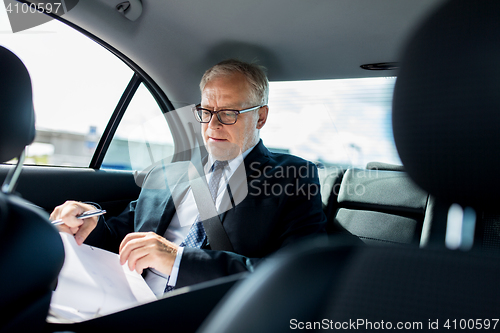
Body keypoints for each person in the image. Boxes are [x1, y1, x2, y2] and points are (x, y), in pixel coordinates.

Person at [51, 59, 327, 294]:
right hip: (123, 298)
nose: (213, 125)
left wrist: (179, 261)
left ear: (261, 117)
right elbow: (119, 239)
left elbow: (298, 273)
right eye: (206, 112)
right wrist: (89, 222)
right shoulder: (166, 171)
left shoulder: (294, 176)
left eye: (229, 113)